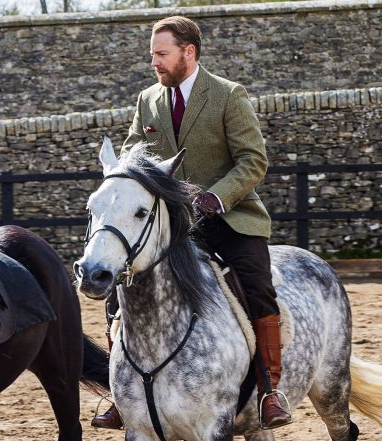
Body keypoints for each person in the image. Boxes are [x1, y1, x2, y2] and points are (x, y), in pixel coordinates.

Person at [91, 15, 292, 431]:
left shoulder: (228, 95)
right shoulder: (147, 100)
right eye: (152, 56)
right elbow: (132, 154)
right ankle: (121, 394)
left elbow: (253, 160)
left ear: (189, 52)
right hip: (168, 225)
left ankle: (270, 391)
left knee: (256, 287)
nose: (155, 63)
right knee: (119, 289)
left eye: (161, 55)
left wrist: (216, 196)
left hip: (229, 218)